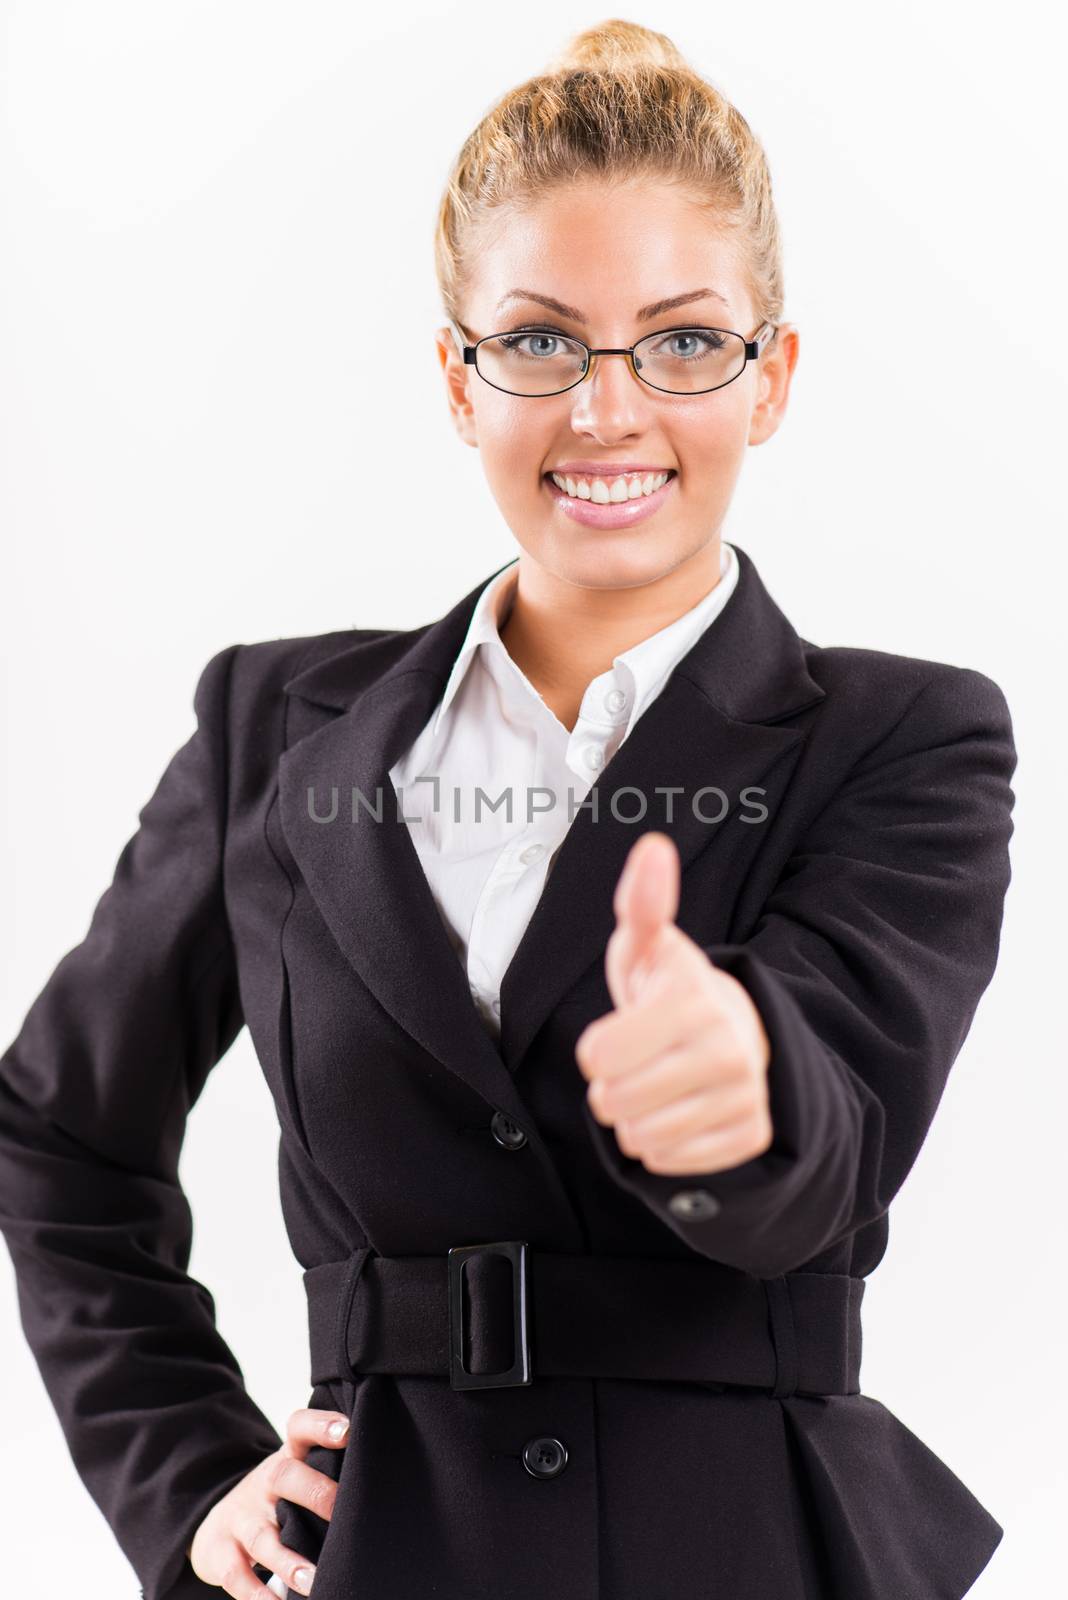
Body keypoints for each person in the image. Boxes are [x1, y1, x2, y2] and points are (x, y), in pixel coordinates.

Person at [0, 18, 1016, 1600]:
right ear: (458, 380)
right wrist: (187, 1479)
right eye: (541, 341)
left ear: (773, 380)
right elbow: (59, 1131)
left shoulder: (906, 737)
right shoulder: (271, 728)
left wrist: (738, 1089)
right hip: (379, 1552)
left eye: (684, 342)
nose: (608, 411)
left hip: (749, 1554)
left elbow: (838, 1146)